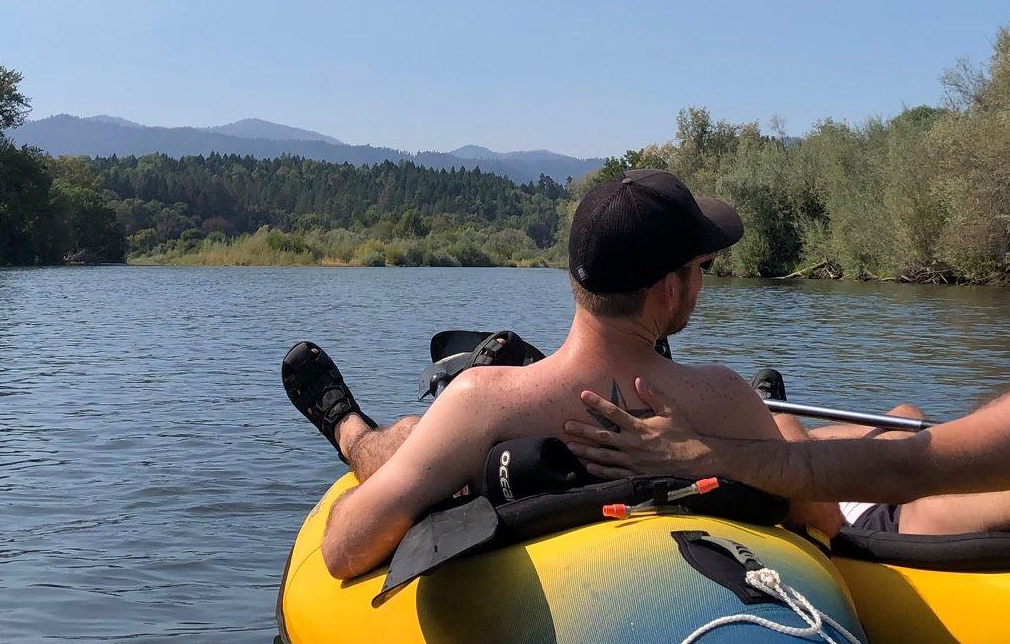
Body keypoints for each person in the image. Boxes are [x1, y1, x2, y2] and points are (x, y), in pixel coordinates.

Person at [280, 169, 803, 580]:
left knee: (409, 440)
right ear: (668, 289)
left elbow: (344, 550)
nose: (701, 284)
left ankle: (357, 438)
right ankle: (354, 432)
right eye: (701, 269)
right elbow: (820, 521)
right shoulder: (729, 399)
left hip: (501, 433)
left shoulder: (483, 403)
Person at [565, 227, 1010, 538]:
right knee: (904, 409)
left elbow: (905, 472)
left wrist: (708, 454)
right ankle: (775, 409)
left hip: (897, 524)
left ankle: (766, 404)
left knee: (777, 424)